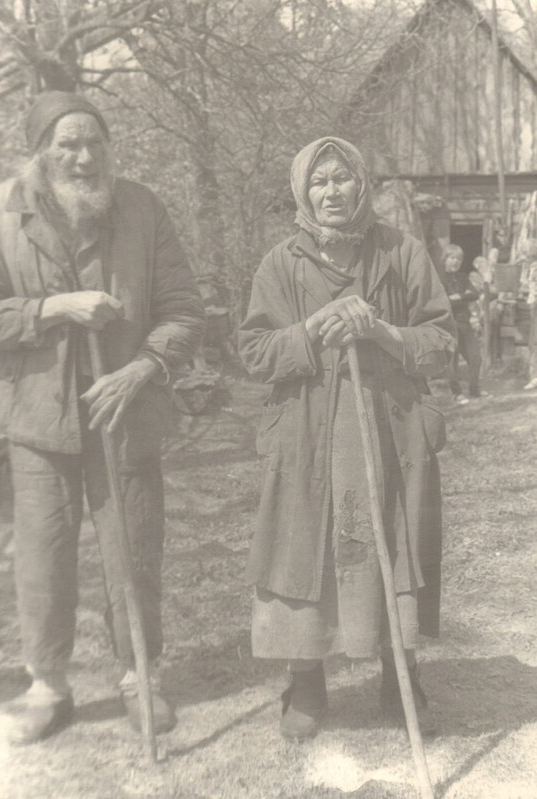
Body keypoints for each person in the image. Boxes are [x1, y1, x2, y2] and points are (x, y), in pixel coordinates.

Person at [0, 92, 205, 744]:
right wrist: (55, 307)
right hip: (38, 419)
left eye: (93, 141)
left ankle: (139, 676)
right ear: (40, 151)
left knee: (135, 549)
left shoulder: (142, 209)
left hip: (125, 411)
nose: (83, 156)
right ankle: (48, 684)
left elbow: (184, 308)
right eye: (67, 144)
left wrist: (145, 365)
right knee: (43, 554)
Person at [238, 137, 455, 741]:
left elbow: (441, 339)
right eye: (319, 182)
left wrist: (382, 332)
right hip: (308, 437)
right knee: (303, 552)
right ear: (302, 191)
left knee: (393, 542)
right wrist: (310, 329)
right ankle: (306, 680)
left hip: (389, 433)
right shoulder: (281, 264)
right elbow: (254, 353)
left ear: (361, 185)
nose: (331, 192)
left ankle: (400, 673)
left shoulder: (401, 252)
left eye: (342, 180)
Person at [441, 244, 483, 405]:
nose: (456, 262)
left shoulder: (463, 277)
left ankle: (474, 389)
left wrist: (457, 297)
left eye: (459, 259)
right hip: (448, 323)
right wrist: (461, 296)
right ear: (445, 259)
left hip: (464, 322)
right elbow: (443, 301)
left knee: (475, 357)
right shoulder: (439, 278)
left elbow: (475, 294)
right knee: (452, 360)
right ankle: (456, 393)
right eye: (452, 258)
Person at [522, 239, 537, 390]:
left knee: (534, 342)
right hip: (533, 304)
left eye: (527, 254)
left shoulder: (534, 268)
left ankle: (534, 376)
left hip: (535, 305)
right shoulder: (531, 268)